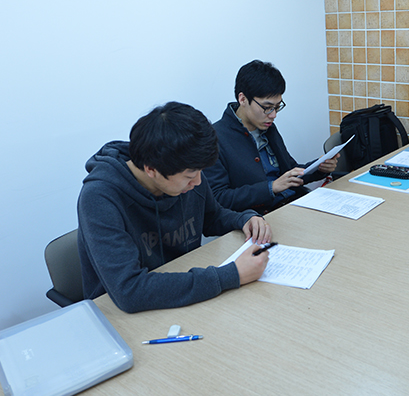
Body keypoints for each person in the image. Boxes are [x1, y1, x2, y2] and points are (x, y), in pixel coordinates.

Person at [77, 102, 272, 313]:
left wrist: (244, 219)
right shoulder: (100, 198)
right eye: (189, 176)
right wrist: (231, 275)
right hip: (121, 315)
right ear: (151, 169)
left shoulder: (186, 172)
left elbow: (212, 217)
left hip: (182, 293)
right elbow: (129, 290)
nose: (198, 182)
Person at [205, 60, 339, 214]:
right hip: (259, 218)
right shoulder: (215, 139)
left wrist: (319, 168)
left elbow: (290, 171)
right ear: (242, 99)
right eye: (267, 107)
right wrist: (271, 188)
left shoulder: (267, 128)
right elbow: (219, 198)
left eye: (277, 107)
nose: (273, 115)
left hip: (293, 203)